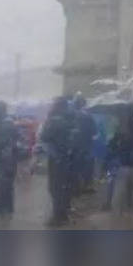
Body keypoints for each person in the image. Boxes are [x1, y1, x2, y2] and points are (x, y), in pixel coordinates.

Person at [40, 96, 78, 227]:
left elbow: (44, 136)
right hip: (69, 157)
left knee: (54, 188)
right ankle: (63, 213)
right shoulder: (71, 119)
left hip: (56, 157)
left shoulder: (54, 120)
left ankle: (57, 217)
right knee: (64, 186)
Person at [109, 107, 133, 226]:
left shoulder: (121, 128)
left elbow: (113, 146)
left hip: (124, 165)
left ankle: (117, 220)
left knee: (119, 195)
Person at [0, 101, 20, 216]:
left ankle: (5, 207)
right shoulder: (7, 122)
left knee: (5, 183)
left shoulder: (5, 124)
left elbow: (0, 142)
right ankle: (4, 206)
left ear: (0, 111)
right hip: (7, 157)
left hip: (6, 158)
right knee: (4, 183)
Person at [71, 95, 96, 195]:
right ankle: (86, 186)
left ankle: (74, 189)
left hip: (72, 147)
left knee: (74, 168)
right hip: (85, 147)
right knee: (86, 168)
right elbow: (94, 131)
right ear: (83, 104)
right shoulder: (87, 116)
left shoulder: (70, 115)